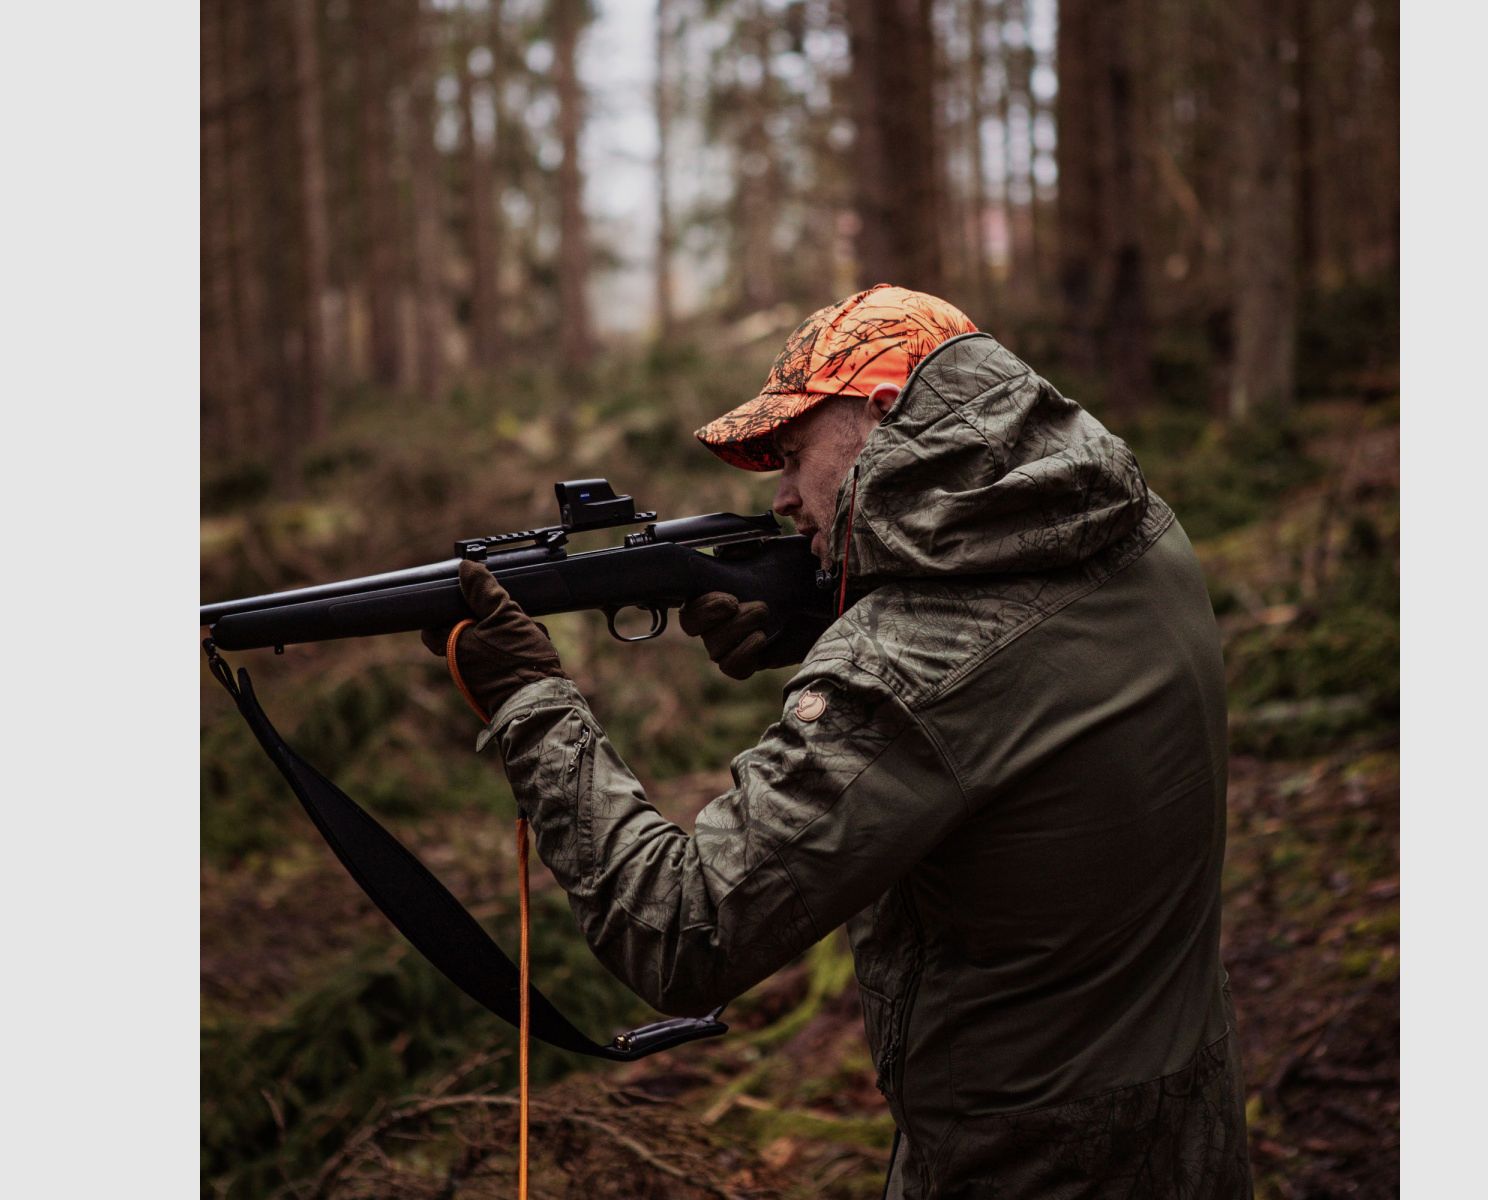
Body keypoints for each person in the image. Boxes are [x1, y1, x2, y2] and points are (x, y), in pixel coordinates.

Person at [427, 284, 1253, 1198]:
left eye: (792, 453)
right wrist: (827, 612)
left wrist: (535, 704)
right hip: (1189, 1120)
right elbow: (1023, 662)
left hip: (1025, 1165)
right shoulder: (1132, 523)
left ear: (885, 413)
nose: (781, 497)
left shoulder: (909, 666)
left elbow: (683, 934)